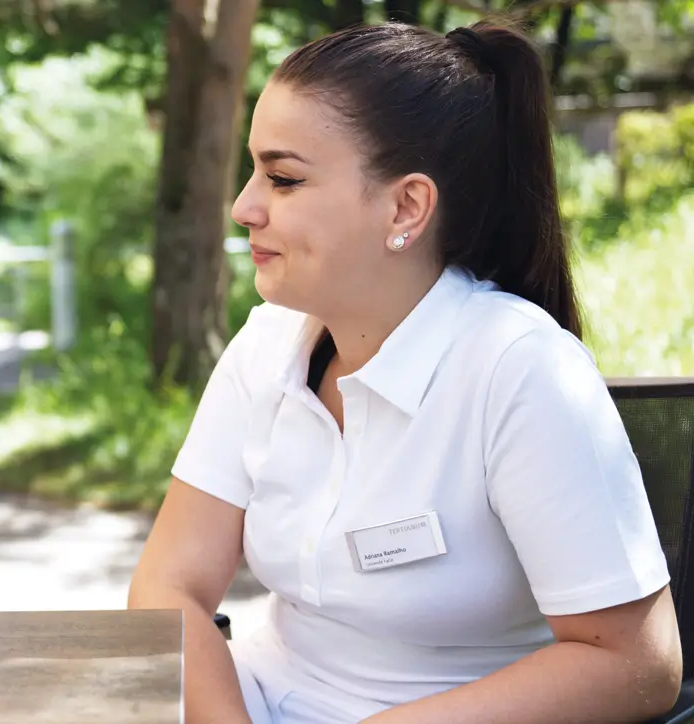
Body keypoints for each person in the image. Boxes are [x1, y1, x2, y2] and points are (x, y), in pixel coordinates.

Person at [128, 19, 682, 724]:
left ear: (406, 207)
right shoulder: (264, 346)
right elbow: (167, 585)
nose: (244, 207)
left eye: (284, 178)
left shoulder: (521, 372)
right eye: (253, 171)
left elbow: (638, 663)